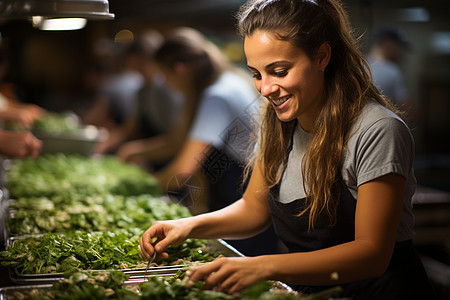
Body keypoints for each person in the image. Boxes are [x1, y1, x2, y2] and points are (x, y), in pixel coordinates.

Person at [139, 1, 436, 299]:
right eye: (256, 74)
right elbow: (254, 210)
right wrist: (187, 225)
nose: (265, 89)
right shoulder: (278, 124)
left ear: (321, 56)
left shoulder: (376, 130)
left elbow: (371, 254)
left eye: (279, 71)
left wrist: (264, 266)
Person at [129, 27, 278, 256]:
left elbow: (184, 169)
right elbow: (177, 142)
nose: (165, 84)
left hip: (245, 196)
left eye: (165, 76)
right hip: (247, 193)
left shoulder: (216, 96)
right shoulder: (227, 81)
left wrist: (140, 188)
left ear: (179, 69)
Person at [94, 30, 183, 155]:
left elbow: (177, 137)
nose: (139, 70)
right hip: (159, 153)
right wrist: (105, 144)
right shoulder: (142, 91)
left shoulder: (166, 89)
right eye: (136, 67)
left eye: (141, 64)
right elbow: (130, 127)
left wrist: (137, 150)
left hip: (175, 154)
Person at [367, 27, 412, 109]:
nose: (402, 53)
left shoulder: (359, 64)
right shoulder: (392, 70)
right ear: (387, 43)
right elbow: (407, 108)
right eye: (400, 47)